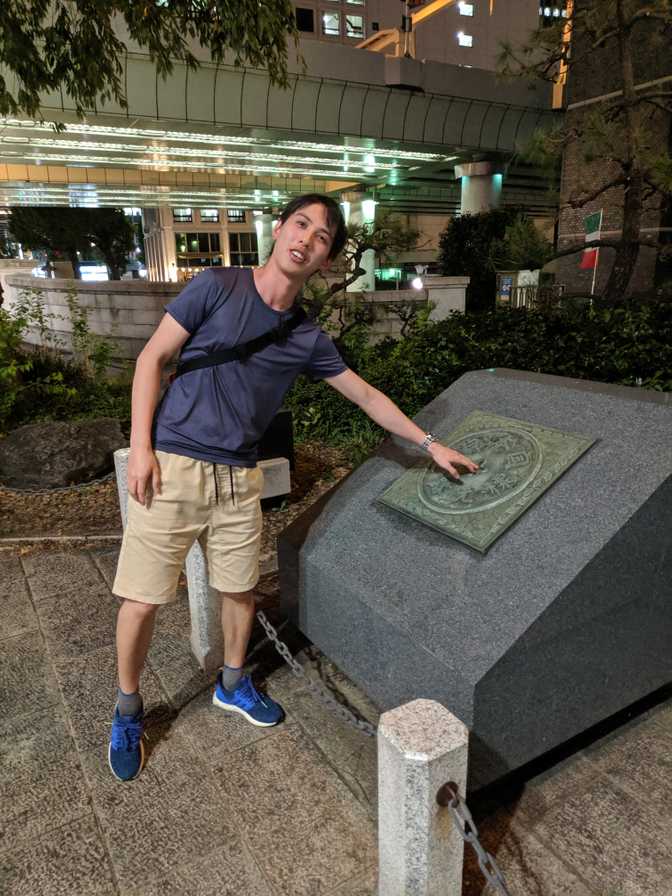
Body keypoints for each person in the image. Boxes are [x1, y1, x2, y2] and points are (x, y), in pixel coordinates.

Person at [109, 193, 478, 781]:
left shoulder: (305, 337)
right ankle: (128, 706)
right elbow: (152, 359)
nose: (307, 238)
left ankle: (232, 682)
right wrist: (143, 448)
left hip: (239, 476)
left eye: (323, 236)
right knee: (143, 599)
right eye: (300, 224)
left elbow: (365, 396)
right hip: (174, 463)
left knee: (239, 589)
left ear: (326, 260)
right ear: (279, 230)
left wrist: (430, 444)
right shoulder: (218, 286)